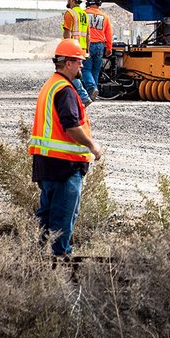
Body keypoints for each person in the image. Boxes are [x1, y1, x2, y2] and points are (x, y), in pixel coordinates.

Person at [29, 38, 104, 258]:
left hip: (47, 164)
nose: (82, 65)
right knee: (62, 219)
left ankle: (39, 262)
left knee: (46, 219)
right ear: (68, 63)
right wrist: (92, 146)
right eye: (79, 61)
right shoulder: (65, 90)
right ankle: (59, 261)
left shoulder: (51, 85)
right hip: (64, 166)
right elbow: (71, 126)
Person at [62, 0, 93, 106]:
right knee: (76, 73)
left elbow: (67, 32)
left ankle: (83, 96)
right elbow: (88, 35)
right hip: (82, 50)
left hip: (72, 49)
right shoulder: (84, 15)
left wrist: (66, 48)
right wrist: (87, 51)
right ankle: (74, 97)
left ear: (73, 0)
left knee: (69, 73)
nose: (68, 0)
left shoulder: (70, 13)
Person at [83, 0, 113, 101]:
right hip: (100, 46)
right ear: (99, 3)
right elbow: (109, 33)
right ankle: (93, 93)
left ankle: (92, 89)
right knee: (95, 71)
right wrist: (109, 48)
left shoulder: (84, 14)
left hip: (87, 44)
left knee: (86, 69)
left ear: (88, 2)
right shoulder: (105, 16)